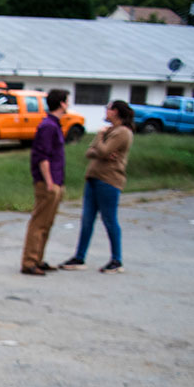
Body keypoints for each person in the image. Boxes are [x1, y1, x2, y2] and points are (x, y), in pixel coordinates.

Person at [60, 100, 134, 273]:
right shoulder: (108, 130)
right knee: (87, 219)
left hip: (109, 180)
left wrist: (101, 141)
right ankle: (79, 257)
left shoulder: (122, 132)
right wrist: (101, 149)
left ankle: (117, 260)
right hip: (93, 178)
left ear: (115, 111)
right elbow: (90, 152)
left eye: (107, 109)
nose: (105, 112)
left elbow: (102, 151)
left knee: (109, 219)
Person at [20, 88, 71, 276]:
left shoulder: (55, 124)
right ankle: (29, 261)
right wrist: (49, 181)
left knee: (47, 222)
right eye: (67, 101)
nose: (68, 104)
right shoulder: (48, 126)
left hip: (57, 179)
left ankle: (38, 259)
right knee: (39, 222)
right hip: (48, 182)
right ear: (62, 103)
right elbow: (43, 156)